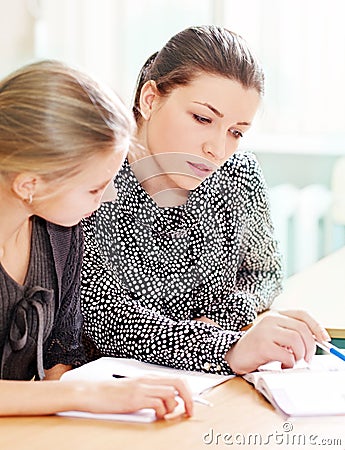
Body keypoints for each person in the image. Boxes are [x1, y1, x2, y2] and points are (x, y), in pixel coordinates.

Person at [81, 25, 330, 376]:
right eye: (202, 118)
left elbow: (265, 274)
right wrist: (225, 345)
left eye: (236, 132)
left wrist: (220, 319)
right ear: (150, 99)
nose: (217, 150)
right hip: (112, 393)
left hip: (210, 387)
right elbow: (104, 317)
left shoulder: (238, 172)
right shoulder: (93, 177)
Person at [0, 60, 193, 418]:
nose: (105, 198)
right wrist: (84, 395)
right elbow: (68, 391)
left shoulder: (62, 231)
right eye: (94, 188)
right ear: (30, 184)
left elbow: (61, 356)